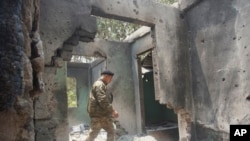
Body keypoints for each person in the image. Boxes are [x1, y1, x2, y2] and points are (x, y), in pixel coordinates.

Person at [85, 70, 119, 141]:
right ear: (106, 76)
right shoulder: (99, 85)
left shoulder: (100, 84)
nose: (110, 80)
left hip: (102, 115)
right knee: (94, 134)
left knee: (110, 131)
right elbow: (102, 99)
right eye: (110, 78)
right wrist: (112, 111)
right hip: (100, 116)